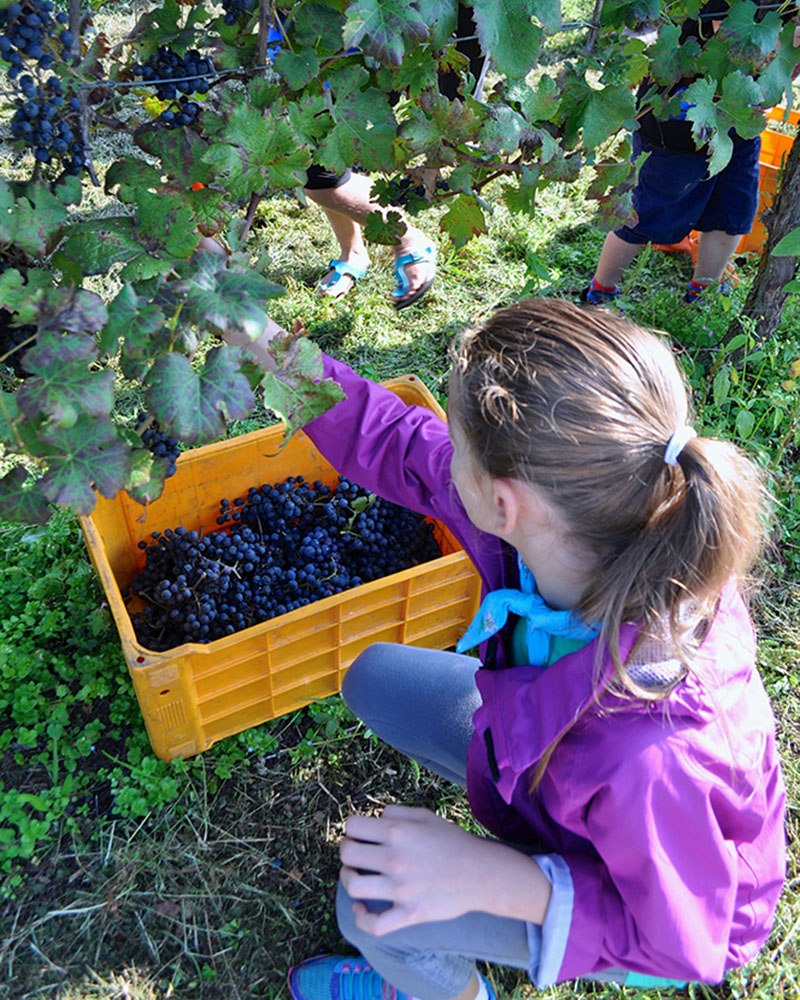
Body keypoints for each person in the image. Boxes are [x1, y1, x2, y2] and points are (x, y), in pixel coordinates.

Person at [227, 299, 786, 996]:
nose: (444, 451)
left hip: (645, 904)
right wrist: (263, 338)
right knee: (374, 678)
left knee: (369, 904)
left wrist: (498, 879)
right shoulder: (587, 526)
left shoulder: (657, 755)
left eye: (457, 445)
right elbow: (393, 438)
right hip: (547, 767)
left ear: (503, 501)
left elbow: (685, 941)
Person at [582, 0, 797, 305]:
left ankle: (701, 296)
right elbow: (733, 36)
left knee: (733, 212)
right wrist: (784, 41)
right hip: (678, 125)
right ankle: (599, 294)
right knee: (646, 213)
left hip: (738, 125)